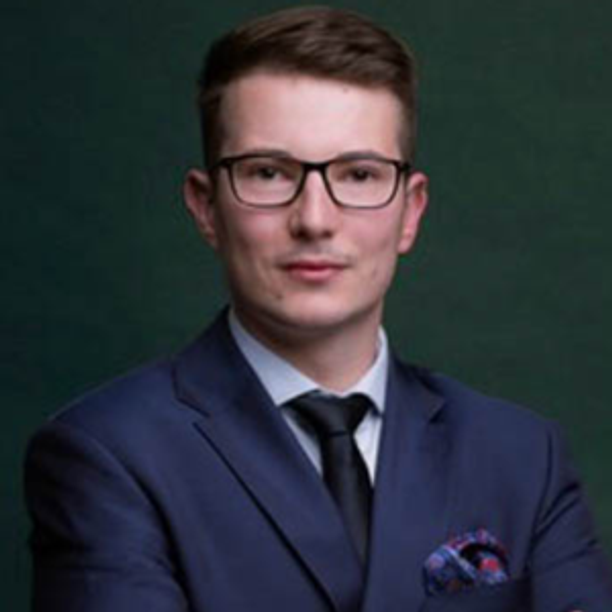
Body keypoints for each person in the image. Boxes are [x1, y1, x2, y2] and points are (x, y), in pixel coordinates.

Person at [25, 6, 611, 612]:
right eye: (268, 173)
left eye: (358, 175)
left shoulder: (523, 457)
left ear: (410, 212)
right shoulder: (107, 453)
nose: (314, 219)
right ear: (206, 207)